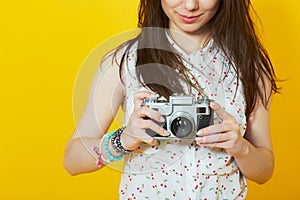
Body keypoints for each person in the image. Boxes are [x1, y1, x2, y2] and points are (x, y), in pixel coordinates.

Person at [64, 0, 279, 199]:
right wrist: (124, 139)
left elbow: (264, 170)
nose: (190, 5)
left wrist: (240, 148)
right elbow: (72, 160)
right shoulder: (124, 61)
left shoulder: (248, 67)